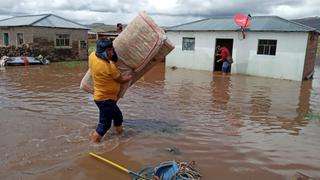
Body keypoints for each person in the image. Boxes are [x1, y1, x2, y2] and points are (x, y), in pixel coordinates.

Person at [89, 39, 132, 143]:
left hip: (102, 97)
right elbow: (121, 79)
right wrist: (131, 76)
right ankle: (93, 144)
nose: (112, 53)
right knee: (104, 125)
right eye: (111, 50)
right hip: (106, 100)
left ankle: (120, 135)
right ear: (106, 51)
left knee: (118, 117)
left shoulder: (92, 56)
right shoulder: (109, 66)